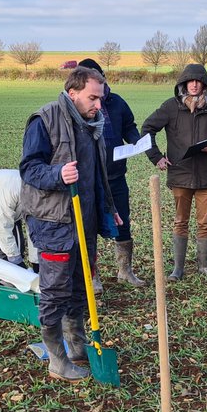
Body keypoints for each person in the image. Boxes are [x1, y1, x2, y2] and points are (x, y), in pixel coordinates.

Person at [20, 65, 119, 381]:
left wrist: (109, 209)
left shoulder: (93, 125)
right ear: (72, 92)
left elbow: (96, 174)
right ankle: (57, 360)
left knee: (81, 287)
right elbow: (29, 169)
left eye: (100, 98)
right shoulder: (45, 120)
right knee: (55, 290)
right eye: (92, 98)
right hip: (54, 223)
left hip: (85, 221)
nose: (98, 105)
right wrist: (58, 175)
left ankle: (77, 346)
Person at [140, 63, 207, 280]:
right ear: (183, 84)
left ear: (205, 84)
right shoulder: (171, 107)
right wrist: (156, 157)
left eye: (198, 81)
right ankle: (177, 269)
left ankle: (204, 266)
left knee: (205, 223)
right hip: (180, 174)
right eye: (190, 81)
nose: (194, 85)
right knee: (180, 221)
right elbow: (147, 128)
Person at [79, 58, 144, 289]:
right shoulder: (79, 108)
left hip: (116, 176)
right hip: (90, 180)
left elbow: (129, 126)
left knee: (123, 222)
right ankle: (92, 276)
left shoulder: (117, 102)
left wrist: (137, 142)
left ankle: (125, 271)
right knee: (90, 226)